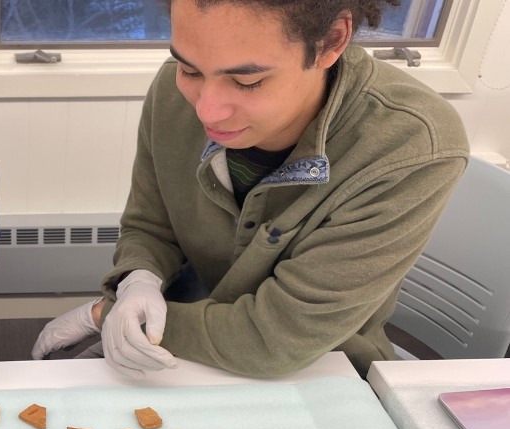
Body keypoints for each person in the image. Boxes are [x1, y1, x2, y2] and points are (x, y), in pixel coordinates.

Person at [32, 0, 468, 378]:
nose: (207, 108)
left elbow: (279, 339)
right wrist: (138, 279)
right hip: (185, 335)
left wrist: (105, 316)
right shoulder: (172, 91)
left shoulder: (410, 144)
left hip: (317, 366)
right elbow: (151, 223)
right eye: (190, 68)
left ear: (332, 41)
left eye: (247, 82)